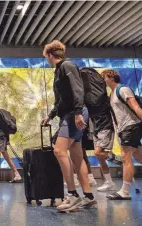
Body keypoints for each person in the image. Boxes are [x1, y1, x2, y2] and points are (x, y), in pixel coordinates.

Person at [41, 40, 96, 212]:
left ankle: (72, 194)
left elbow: (77, 89)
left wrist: (78, 112)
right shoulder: (59, 71)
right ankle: (88, 196)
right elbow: (61, 100)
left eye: (47, 57)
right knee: (77, 156)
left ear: (50, 55)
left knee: (59, 151)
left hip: (74, 114)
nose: (47, 60)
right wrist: (50, 116)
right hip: (70, 113)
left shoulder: (67, 66)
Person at [101, 69, 142, 200]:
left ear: (111, 78)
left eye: (104, 77)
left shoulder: (123, 90)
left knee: (125, 157)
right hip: (124, 128)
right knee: (139, 156)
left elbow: (135, 106)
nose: (103, 79)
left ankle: (124, 191)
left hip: (131, 125)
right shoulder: (112, 93)